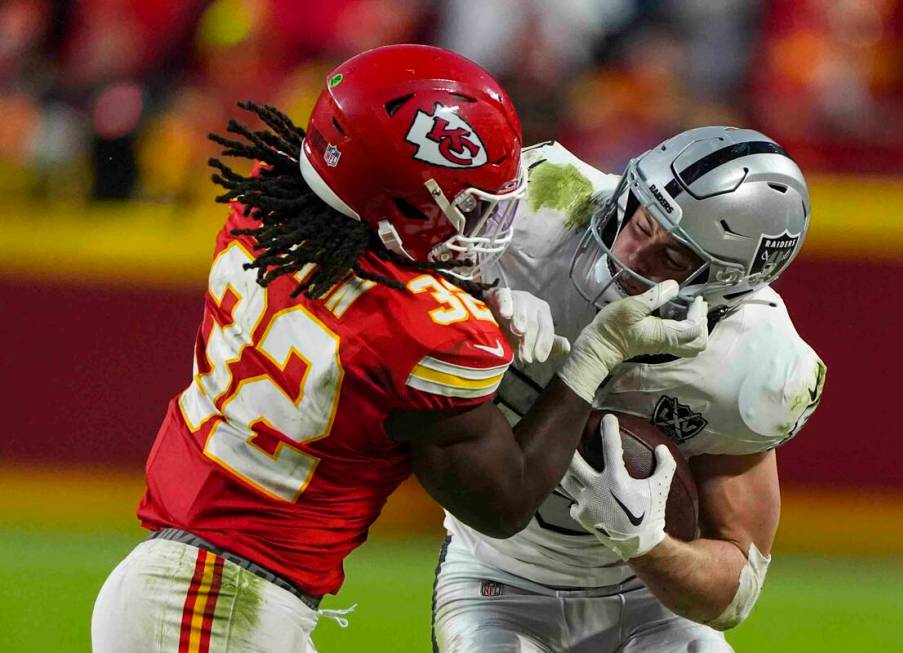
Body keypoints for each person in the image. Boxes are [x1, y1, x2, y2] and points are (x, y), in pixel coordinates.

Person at [90, 45, 710, 653]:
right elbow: (504, 500)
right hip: (216, 604)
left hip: (192, 586)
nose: (487, 229)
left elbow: (370, 276)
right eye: (471, 208)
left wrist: (479, 288)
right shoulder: (425, 331)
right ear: (403, 206)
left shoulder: (268, 205)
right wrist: (595, 355)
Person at [433, 128, 827, 652]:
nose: (631, 255)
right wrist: (470, 310)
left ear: (727, 286)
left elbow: (731, 595)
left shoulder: (754, 362)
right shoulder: (536, 208)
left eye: (674, 259)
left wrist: (646, 544)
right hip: (497, 575)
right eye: (641, 221)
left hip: (648, 600)